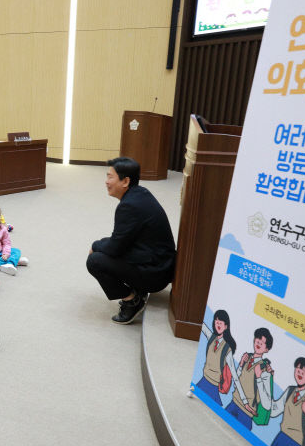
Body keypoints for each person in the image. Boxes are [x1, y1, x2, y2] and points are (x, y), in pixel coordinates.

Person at [86, 157, 176, 324]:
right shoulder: (140, 194)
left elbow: (115, 248)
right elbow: (121, 239)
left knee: (95, 261)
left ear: (125, 181)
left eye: (110, 177)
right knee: (103, 250)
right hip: (160, 262)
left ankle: (132, 301)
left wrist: (95, 245)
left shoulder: (129, 206)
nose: (106, 182)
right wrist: (100, 244)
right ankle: (136, 292)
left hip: (156, 273)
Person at [225, 328, 274, 430]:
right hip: (234, 402)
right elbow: (235, 383)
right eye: (257, 340)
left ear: (266, 349)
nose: (258, 343)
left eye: (262, 343)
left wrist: (259, 377)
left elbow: (267, 403)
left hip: (247, 412)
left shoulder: (265, 369)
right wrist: (241, 364)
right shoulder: (247, 357)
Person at [270, 357, 305, 446]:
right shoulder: (290, 391)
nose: (300, 373)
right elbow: (274, 411)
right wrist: (269, 382)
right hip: (282, 437)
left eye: (303, 372)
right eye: (298, 369)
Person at [196, 310, 246, 407]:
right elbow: (203, 326)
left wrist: (244, 401)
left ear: (226, 326)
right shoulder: (211, 337)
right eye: (216, 321)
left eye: (221, 322)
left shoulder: (227, 349)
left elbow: (234, 376)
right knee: (195, 390)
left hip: (213, 386)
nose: (218, 324)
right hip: (203, 380)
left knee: (217, 407)